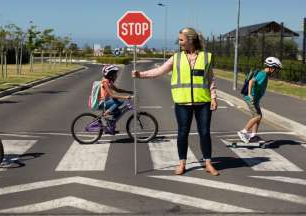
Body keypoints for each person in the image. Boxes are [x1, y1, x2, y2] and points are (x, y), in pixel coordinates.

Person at [132, 27, 219, 176]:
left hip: (203, 102)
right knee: (182, 133)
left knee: (204, 132)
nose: (179, 43)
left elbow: (210, 79)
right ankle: (182, 163)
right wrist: (141, 74)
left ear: (190, 40)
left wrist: (213, 97)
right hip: (182, 103)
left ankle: (208, 163)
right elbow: (159, 71)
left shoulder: (206, 57)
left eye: (181, 40)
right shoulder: (176, 58)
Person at [238, 57, 282, 143]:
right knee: (257, 116)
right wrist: (250, 94)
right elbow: (251, 81)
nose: (275, 71)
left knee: (259, 116)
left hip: (255, 99)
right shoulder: (263, 74)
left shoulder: (264, 74)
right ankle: (243, 132)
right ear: (271, 68)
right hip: (251, 98)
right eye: (276, 69)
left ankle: (253, 136)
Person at [99, 65, 132, 133]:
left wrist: (128, 92)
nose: (116, 76)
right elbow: (112, 95)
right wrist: (125, 97)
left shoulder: (109, 82)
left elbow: (117, 90)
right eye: (115, 74)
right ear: (110, 74)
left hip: (106, 102)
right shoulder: (105, 82)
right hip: (103, 103)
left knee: (118, 112)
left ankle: (110, 127)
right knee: (118, 101)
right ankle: (106, 113)